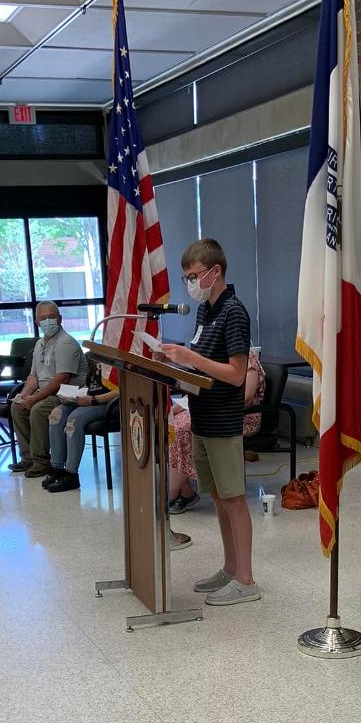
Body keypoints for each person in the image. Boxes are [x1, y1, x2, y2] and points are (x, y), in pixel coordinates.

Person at [161, 239, 259, 606]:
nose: (190, 283)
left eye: (194, 276)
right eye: (185, 276)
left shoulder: (234, 311)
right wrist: (175, 361)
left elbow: (236, 374)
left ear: (215, 272)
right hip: (201, 416)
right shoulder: (206, 312)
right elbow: (201, 362)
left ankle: (247, 580)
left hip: (223, 420)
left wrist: (190, 357)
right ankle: (230, 567)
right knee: (218, 497)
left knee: (233, 499)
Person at [169, 348, 265, 513]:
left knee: (184, 428)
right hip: (210, 409)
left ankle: (170, 494)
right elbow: (200, 387)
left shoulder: (248, 359)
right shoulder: (215, 355)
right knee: (173, 423)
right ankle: (185, 491)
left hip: (238, 415)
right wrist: (176, 408)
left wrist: (212, 405)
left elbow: (247, 397)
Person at [9, 301, 87, 478]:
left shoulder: (66, 343)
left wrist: (34, 399)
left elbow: (62, 379)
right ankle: (28, 457)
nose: (48, 321)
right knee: (17, 406)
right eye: (43, 318)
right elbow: (34, 377)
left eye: (52, 317)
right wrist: (24, 395)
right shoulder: (40, 344)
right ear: (37, 322)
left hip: (68, 392)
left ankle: (41, 461)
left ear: (60, 319)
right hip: (47, 391)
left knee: (38, 409)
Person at [44, 388, 115, 493]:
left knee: (74, 420)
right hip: (89, 397)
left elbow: (120, 389)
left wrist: (94, 399)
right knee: (56, 414)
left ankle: (71, 475)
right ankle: (57, 468)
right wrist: (72, 397)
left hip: (108, 402)